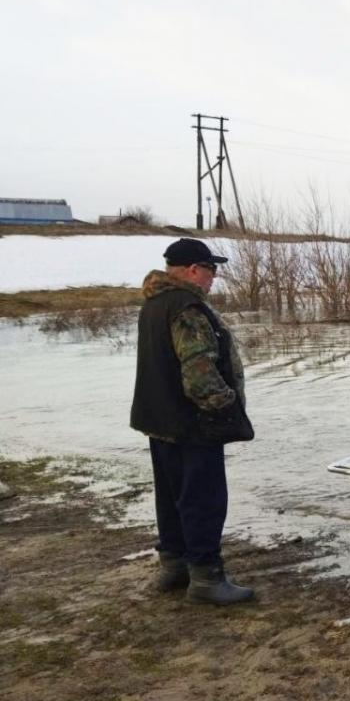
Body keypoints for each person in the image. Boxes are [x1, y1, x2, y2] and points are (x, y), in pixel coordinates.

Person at [130, 238, 255, 605]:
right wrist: (226, 407)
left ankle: (174, 567)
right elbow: (199, 371)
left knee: (171, 497)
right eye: (210, 270)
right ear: (192, 270)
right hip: (191, 424)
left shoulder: (153, 304)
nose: (214, 277)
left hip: (158, 421)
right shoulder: (187, 308)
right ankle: (206, 578)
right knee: (203, 499)